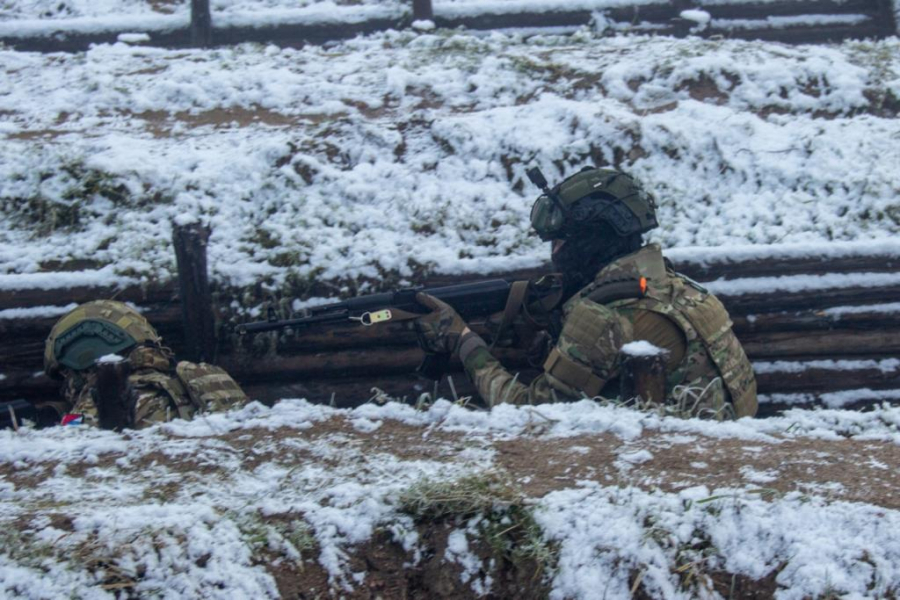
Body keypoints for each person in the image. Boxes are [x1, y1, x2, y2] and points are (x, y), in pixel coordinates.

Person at [414, 166, 757, 419]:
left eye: (562, 241)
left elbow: (530, 414)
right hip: (725, 447)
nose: (555, 254)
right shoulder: (680, 289)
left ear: (594, 238)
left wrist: (465, 342)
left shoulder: (604, 314)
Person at [41, 300, 248, 429]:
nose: (67, 385)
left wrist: (55, 421)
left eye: (66, 374)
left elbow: (79, 433)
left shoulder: (115, 394)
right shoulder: (180, 381)